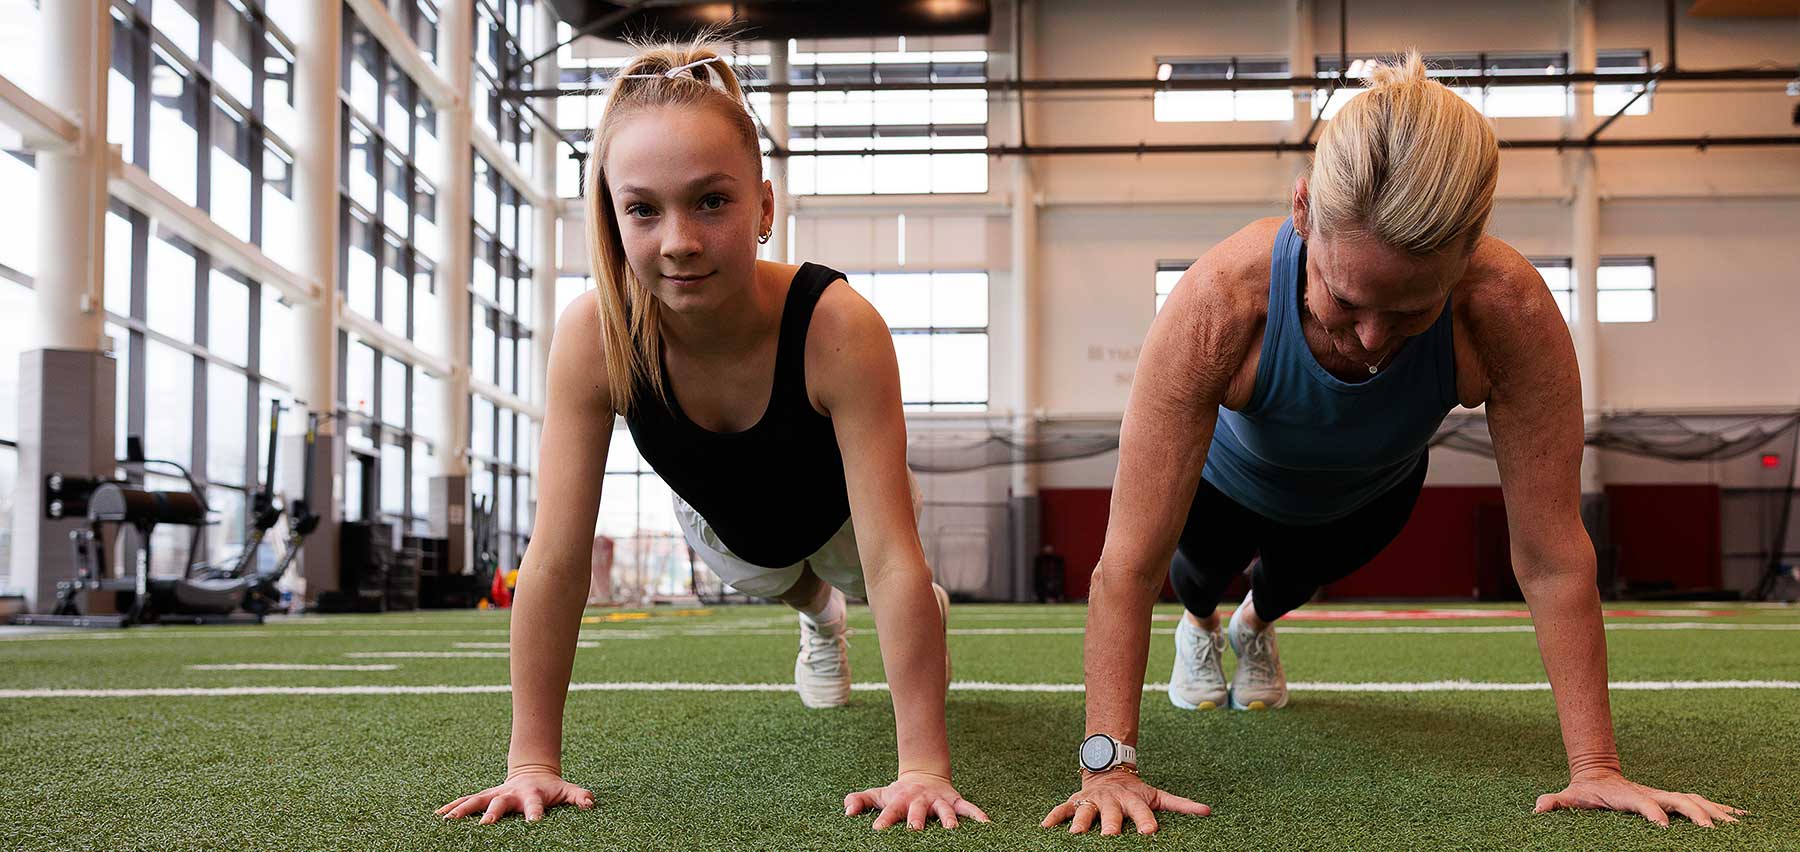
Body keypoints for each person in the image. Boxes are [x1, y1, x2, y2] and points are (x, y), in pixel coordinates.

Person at [1043, 53, 1745, 835]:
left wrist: (1597, 768)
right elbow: (1125, 565)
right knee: (1194, 574)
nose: (1374, 340)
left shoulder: (1508, 310)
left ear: (1468, 248)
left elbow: (1551, 554)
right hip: (1226, 488)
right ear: (1303, 212)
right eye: (1344, 301)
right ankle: (1205, 626)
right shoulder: (1219, 303)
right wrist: (1107, 767)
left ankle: (1253, 625)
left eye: (1411, 311)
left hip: (1365, 496)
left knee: (1288, 585)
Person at [437, 40, 986, 831]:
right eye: (644, 209)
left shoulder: (838, 326)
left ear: (764, 207)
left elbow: (895, 553)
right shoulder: (596, 336)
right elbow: (555, 555)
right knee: (774, 576)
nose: (679, 241)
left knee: (883, 582)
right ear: (611, 215)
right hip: (722, 521)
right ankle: (817, 615)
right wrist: (531, 763)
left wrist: (923, 770)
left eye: (711, 202)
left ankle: (844, 602)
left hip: (848, 509)